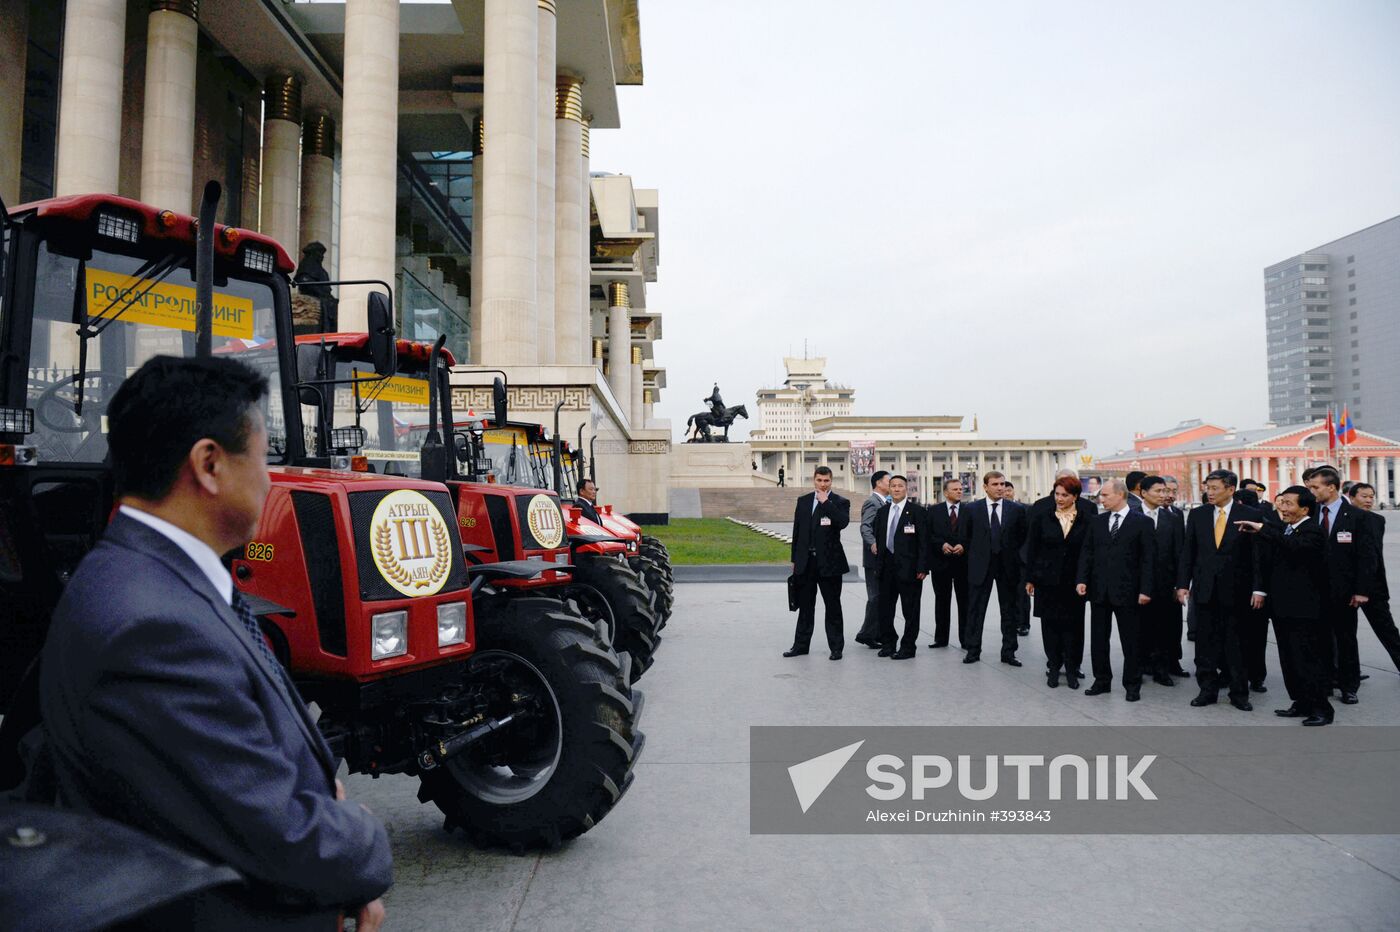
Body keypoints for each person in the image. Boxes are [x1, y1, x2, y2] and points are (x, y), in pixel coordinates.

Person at [39, 356, 392, 925]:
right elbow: (282, 835)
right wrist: (360, 835)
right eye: (261, 456)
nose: (271, 476)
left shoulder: (167, 584)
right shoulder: (150, 629)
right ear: (208, 464)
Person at [1236, 487, 1333, 725]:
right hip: (1283, 608)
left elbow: (1294, 546)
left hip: (1305, 610)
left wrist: (1263, 529)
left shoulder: (1313, 531)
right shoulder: (1287, 528)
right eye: (1282, 503)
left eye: (1289, 504)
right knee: (1289, 659)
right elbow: (1279, 539)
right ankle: (1301, 702)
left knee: (1307, 659)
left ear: (1305, 509)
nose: (1283, 508)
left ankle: (1321, 709)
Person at [1176, 468, 1262, 711]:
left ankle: (1239, 693)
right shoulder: (1198, 515)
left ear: (1231, 489)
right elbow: (1188, 552)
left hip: (1238, 591)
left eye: (1215, 488)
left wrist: (1259, 589)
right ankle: (1207, 690)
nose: (1209, 493)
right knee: (1205, 645)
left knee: (1237, 645)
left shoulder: (1251, 514)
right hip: (1204, 591)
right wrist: (1183, 584)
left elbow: (1258, 557)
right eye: (1208, 487)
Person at [1075, 478, 1156, 701]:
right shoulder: (1097, 522)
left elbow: (1148, 560)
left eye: (1105, 495)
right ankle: (1101, 680)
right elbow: (1087, 553)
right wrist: (1082, 579)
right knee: (1099, 639)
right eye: (1101, 496)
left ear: (1120, 495)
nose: (1101, 500)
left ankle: (1132, 685)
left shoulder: (1143, 523)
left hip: (1129, 592)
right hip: (1099, 590)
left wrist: (1146, 590)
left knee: (1131, 641)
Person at [1305, 466, 1376, 705]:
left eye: (1315, 487)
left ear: (1331, 487)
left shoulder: (1357, 516)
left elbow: (1366, 557)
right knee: (1320, 639)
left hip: (1345, 592)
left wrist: (1362, 590)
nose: (1311, 491)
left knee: (1346, 639)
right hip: (1315, 591)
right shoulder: (1310, 513)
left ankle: (1349, 686)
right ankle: (1325, 682)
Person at [1027, 468, 1097, 680]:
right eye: (1057, 494)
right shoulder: (1041, 514)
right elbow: (1032, 548)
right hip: (1047, 580)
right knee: (1050, 624)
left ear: (1075, 496)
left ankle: (1073, 667)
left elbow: (1090, 549)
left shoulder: (1088, 516)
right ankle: (1054, 666)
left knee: (1074, 625)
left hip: (1075, 581)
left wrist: (1085, 578)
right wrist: (1030, 578)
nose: (1059, 498)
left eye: (1065, 495)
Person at [960, 470, 1028, 666]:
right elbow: (965, 538)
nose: (1000, 488)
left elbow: (1023, 538)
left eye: (1002, 484)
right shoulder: (972, 509)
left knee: (1009, 611)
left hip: (1008, 567)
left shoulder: (1016, 510)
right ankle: (973, 650)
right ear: (985, 487)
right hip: (980, 567)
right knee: (975, 610)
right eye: (996, 484)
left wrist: (1019, 562)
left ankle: (1009, 652)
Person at [785, 466, 851, 660]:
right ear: (813, 480)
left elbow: (842, 522)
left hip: (830, 563)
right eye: (819, 480)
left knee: (832, 606)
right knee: (805, 606)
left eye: (826, 481)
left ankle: (836, 648)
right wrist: (795, 560)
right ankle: (800, 645)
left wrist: (826, 502)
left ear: (831, 481)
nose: (823, 484)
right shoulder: (803, 501)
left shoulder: (840, 502)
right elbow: (797, 533)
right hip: (806, 562)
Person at [872, 476, 930, 658]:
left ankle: (908, 647)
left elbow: (924, 543)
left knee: (910, 611)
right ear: (888, 488)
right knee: (885, 610)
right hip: (886, 568)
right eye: (893, 486)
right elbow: (879, 539)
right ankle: (888, 643)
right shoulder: (882, 512)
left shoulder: (917, 512)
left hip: (910, 570)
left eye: (900, 486)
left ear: (907, 489)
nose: (896, 489)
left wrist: (922, 567)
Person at [1137, 476, 1186, 686]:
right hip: (1137, 585)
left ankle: (1162, 669)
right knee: (1139, 628)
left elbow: (1179, 553)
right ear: (1143, 493)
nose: (1163, 495)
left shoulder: (1172, 518)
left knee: (1164, 628)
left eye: (1165, 491)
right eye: (1158, 491)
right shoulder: (1131, 515)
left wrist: (1180, 584)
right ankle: (1138, 667)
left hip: (1165, 584)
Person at [1349, 482, 1400, 673]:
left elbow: (1374, 556)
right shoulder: (1344, 520)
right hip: (1345, 586)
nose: (1369, 500)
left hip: (1373, 586)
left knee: (1388, 630)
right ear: (1352, 497)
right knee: (1344, 635)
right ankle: (1345, 677)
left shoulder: (1377, 520)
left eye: (1371, 496)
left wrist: (1365, 587)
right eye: (1364, 496)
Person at [926, 477, 969, 649]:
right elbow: (929, 534)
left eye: (960, 489)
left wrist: (963, 545)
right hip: (940, 563)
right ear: (945, 492)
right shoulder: (934, 510)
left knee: (964, 602)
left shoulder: (969, 510)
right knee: (942, 601)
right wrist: (941, 545)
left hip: (963, 564)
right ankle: (941, 638)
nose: (959, 491)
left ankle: (966, 639)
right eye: (955, 489)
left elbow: (974, 534)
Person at [855, 471, 892, 649]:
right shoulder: (872, 502)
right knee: (876, 597)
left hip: (884, 559)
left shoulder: (887, 502)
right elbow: (865, 527)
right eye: (889, 481)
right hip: (874, 559)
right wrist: (873, 543)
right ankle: (866, 634)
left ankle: (875, 633)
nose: (892, 485)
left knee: (882, 597)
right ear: (878, 483)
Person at [1003, 482, 1032, 636]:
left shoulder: (1025, 509)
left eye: (1009, 490)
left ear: (1013, 491)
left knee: (1022, 593)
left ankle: (1023, 624)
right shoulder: (997, 509)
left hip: (1021, 559)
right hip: (1003, 558)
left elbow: (1030, 534)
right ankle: (1010, 622)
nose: (1006, 493)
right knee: (1008, 593)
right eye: (1004, 490)